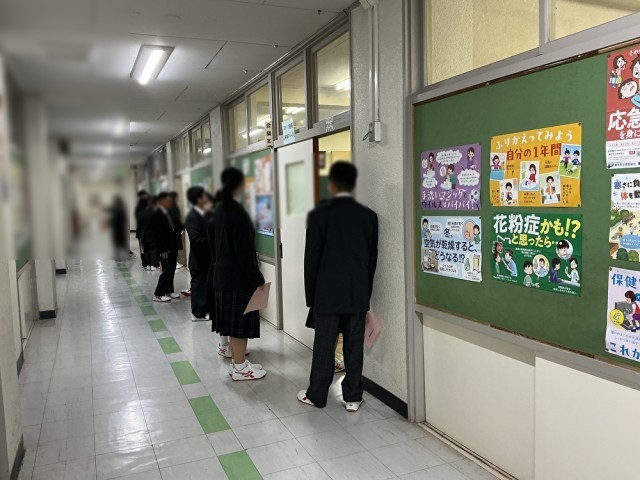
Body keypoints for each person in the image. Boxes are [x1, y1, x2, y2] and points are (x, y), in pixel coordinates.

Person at [298, 161, 379, 412]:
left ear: (332, 185)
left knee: (324, 346)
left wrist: (311, 298)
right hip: (357, 293)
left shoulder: (318, 215)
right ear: (353, 185)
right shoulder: (369, 216)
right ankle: (353, 397)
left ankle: (317, 394)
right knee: (354, 346)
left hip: (327, 294)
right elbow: (371, 261)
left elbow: (311, 260)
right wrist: (366, 295)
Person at [212, 168, 267, 380]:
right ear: (240, 185)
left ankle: (238, 362)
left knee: (233, 324)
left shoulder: (218, 210)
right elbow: (244, 252)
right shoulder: (238, 213)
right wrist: (257, 278)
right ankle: (240, 368)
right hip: (238, 278)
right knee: (239, 324)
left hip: (222, 274)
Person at [185, 186, 213, 322]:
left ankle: (205, 310)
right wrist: (212, 238)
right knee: (199, 286)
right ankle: (198, 314)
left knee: (206, 285)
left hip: (207, 259)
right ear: (198, 199)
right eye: (204, 196)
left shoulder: (204, 213)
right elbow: (196, 240)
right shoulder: (192, 216)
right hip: (199, 259)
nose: (207, 198)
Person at [151, 192, 180, 302]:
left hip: (172, 246)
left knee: (172, 269)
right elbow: (157, 233)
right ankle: (158, 293)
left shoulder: (168, 212)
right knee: (167, 271)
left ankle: (169, 291)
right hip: (165, 248)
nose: (170, 202)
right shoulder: (157, 214)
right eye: (168, 200)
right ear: (162, 201)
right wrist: (162, 249)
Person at [138, 197, 159, 271]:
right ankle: (153, 265)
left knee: (146, 250)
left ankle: (147, 265)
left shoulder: (141, 213)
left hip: (144, 235)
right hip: (152, 235)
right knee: (153, 250)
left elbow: (139, 226)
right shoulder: (154, 213)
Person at [169, 191, 186, 269]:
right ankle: (175, 263)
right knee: (174, 247)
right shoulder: (174, 207)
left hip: (172, 230)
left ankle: (174, 262)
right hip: (175, 230)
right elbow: (176, 219)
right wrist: (182, 227)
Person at [135, 190, 150, 267]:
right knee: (143, 248)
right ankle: (144, 263)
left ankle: (147, 262)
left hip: (145, 231)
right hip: (141, 231)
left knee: (146, 248)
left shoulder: (145, 206)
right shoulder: (139, 207)